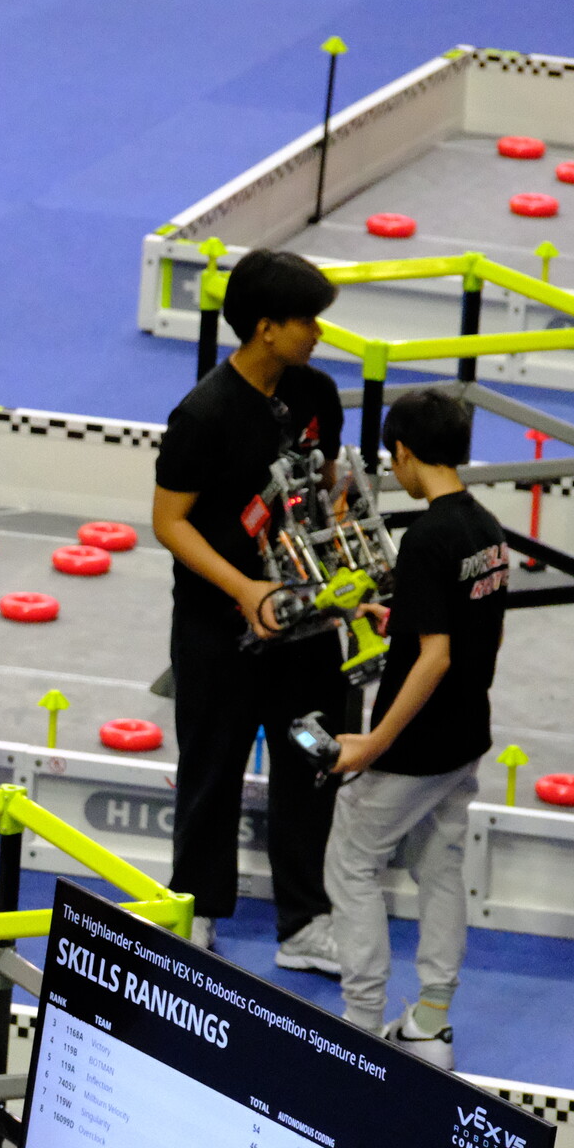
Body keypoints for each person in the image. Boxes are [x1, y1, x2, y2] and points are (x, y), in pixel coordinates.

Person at [151, 249, 345, 969]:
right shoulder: (202, 414)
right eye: (306, 320)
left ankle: (304, 924)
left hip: (306, 625)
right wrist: (244, 588)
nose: (318, 332)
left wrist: (342, 566)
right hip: (217, 627)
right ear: (266, 327)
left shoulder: (319, 392)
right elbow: (169, 522)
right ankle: (196, 909)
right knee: (212, 767)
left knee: (312, 763)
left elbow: (327, 488)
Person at [324, 389, 508, 1070]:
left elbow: (436, 656)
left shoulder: (427, 538)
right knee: (439, 864)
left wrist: (374, 744)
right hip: (467, 734)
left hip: (418, 745)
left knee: (351, 858)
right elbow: (477, 629)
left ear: (403, 452)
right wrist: (396, 620)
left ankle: (360, 1023)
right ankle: (430, 1021)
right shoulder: (488, 529)